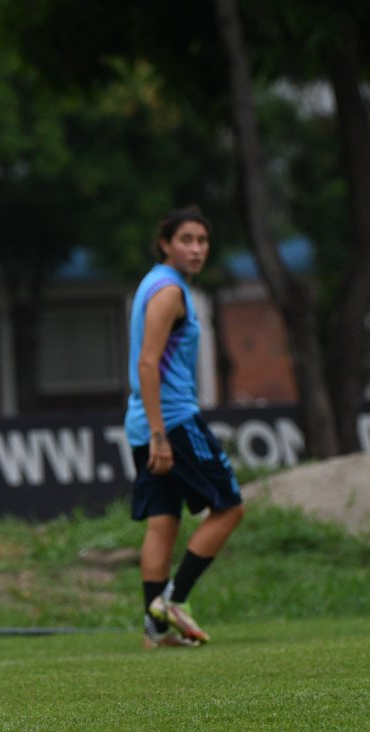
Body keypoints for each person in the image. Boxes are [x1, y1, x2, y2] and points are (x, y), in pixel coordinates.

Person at [124, 206, 244, 650]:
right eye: (187, 240)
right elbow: (147, 362)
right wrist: (160, 434)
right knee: (229, 508)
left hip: (144, 420)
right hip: (170, 419)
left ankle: (155, 630)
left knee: (163, 522)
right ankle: (173, 601)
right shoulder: (170, 291)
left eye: (202, 241)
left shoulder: (152, 283)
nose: (196, 249)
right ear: (165, 243)